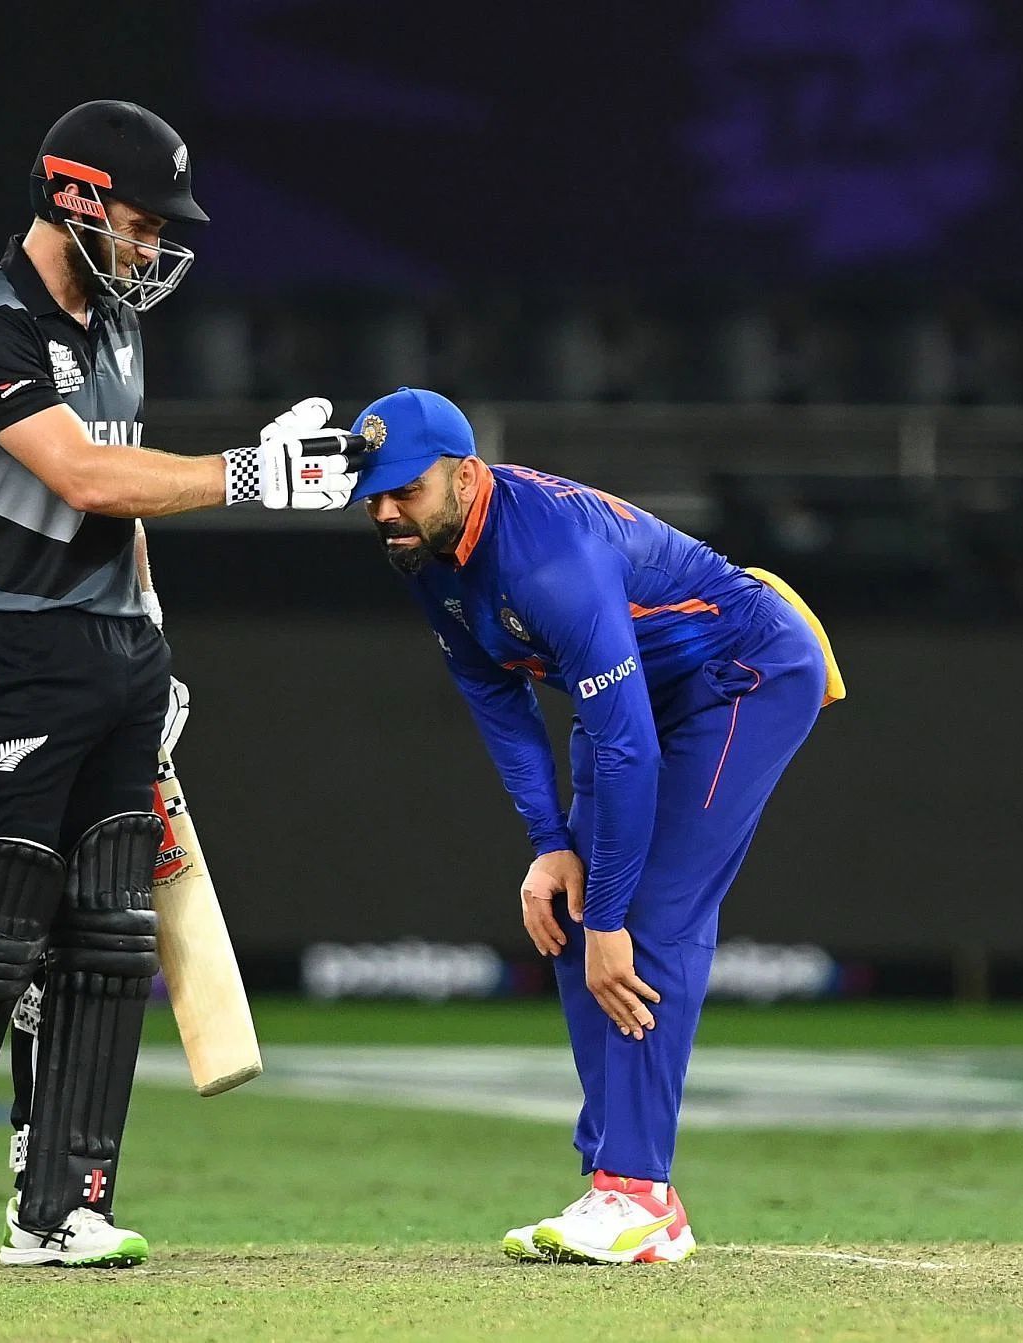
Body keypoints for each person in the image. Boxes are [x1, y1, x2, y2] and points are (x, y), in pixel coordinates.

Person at [0, 100, 358, 1269]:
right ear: (75, 197)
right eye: (140, 218)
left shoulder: (117, 327)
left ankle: (59, 1207)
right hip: (10, 650)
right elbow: (77, 472)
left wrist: (155, 635)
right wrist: (247, 474)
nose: (153, 243)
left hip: (117, 648)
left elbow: (125, 507)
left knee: (109, 934)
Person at [351, 388, 844, 1265]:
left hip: (743, 678)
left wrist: (613, 916)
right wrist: (550, 846)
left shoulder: (547, 559)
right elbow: (493, 696)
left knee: (646, 920)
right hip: (636, 705)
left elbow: (630, 752)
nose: (387, 510)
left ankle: (636, 1192)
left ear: (466, 475)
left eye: (406, 490)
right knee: (579, 921)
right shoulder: (425, 552)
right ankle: (619, 1190)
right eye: (374, 492)